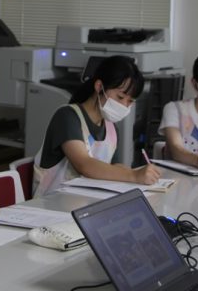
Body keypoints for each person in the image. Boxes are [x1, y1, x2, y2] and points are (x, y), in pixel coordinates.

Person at [33, 55, 161, 197]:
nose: (125, 105)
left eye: (130, 101)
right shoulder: (67, 116)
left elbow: (113, 167)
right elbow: (84, 164)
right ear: (99, 86)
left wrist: (137, 173)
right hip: (52, 203)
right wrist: (134, 175)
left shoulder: (111, 129)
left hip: (86, 202)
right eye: (120, 97)